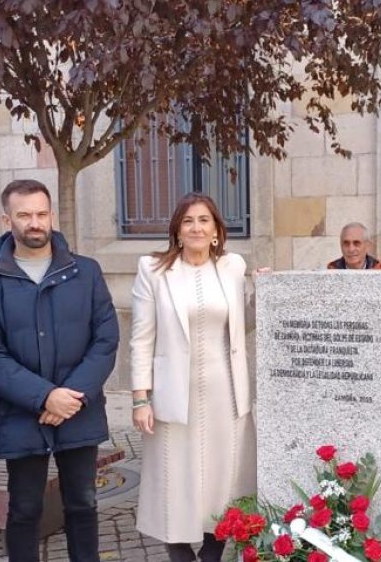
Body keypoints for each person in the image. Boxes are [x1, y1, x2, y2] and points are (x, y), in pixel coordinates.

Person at [0, 180, 119, 562]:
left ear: (51, 215)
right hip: (21, 415)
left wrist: (70, 396)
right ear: (7, 220)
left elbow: (105, 341)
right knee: (24, 509)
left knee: (83, 505)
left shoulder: (85, 272)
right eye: (24, 215)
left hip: (78, 410)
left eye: (41, 213)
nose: (35, 223)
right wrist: (44, 396)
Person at [130, 192, 257, 562]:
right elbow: (141, 337)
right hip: (174, 395)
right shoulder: (153, 270)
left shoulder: (233, 267)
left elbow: (242, 325)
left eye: (204, 220)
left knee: (223, 479)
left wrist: (261, 294)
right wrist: (141, 398)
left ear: (217, 230)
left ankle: (214, 552)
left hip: (226, 393)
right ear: (178, 231)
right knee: (176, 480)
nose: (196, 227)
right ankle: (180, 552)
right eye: (188, 221)